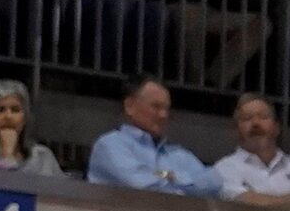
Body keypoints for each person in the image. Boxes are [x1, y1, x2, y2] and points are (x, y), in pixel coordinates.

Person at [87, 75, 223, 197]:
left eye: (166, 108)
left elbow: (214, 182)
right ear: (130, 106)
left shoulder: (177, 153)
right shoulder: (111, 144)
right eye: (156, 107)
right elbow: (142, 187)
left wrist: (171, 176)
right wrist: (175, 180)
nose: (164, 115)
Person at [208, 94, 290, 211]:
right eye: (247, 119)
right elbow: (246, 207)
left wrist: (270, 204)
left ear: (276, 128)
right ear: (236, 131)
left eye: (263, 117)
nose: (256, 123)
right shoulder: (224, 168)